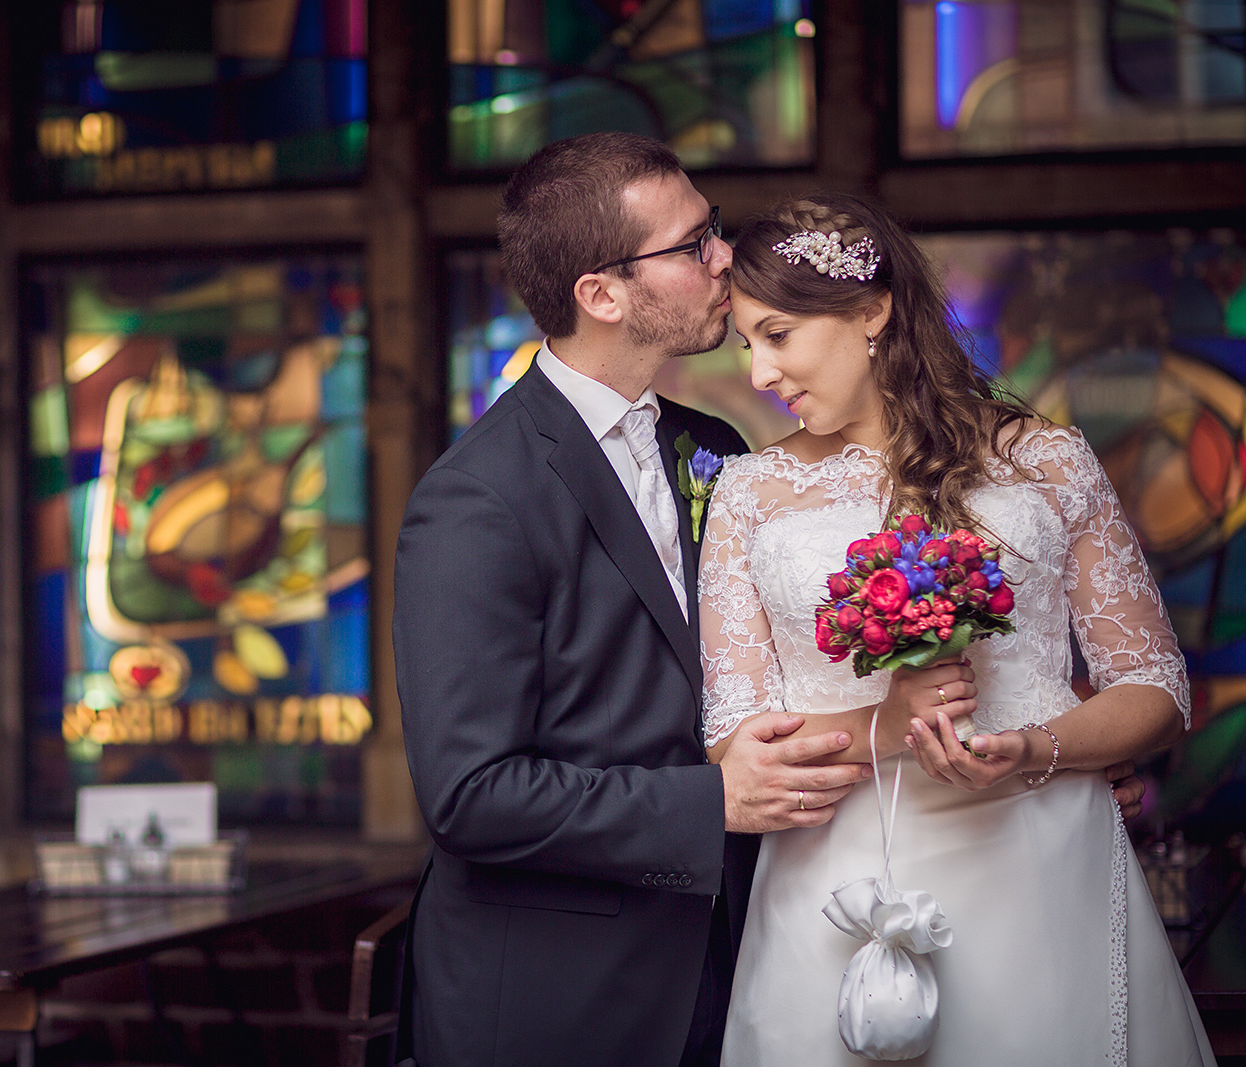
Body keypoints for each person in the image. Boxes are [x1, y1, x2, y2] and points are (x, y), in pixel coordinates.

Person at [391, 134, 884, 1066]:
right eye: (693, 243)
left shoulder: (714, 445)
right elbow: (470, 795)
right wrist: (713, 803)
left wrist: (1031, 747)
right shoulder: (475, 499)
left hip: (739, 957)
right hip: (562, 999)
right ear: (602, 294)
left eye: (715, 231)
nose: (725, 258)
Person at [700, 192, 1213, 1065]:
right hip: (838, 876)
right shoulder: (750, 494)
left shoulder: (1047, 460)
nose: (758, 374)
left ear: (872, 310)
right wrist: (885, 726)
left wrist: (1031, 748)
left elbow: (1156, 691)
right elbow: (731, 739)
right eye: (746, 344)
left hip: (1042, 855)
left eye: (777, 336)